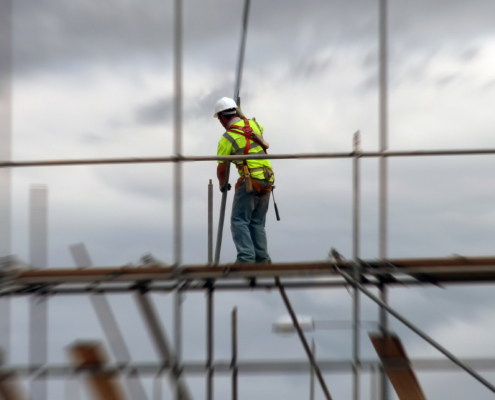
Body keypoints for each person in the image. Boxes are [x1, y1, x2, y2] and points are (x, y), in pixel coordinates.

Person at [214, 97, 274, 263]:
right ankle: (262, 260)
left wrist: (222, 184)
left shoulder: (227, 138)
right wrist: (243, 115)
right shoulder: (254, 125)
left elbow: (222, 168)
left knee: (239, 221)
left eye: (219, 118)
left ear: (222, 117)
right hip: (267, 179)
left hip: (251, 181)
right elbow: (253, 128)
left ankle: (246, 259)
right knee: (257, 223)